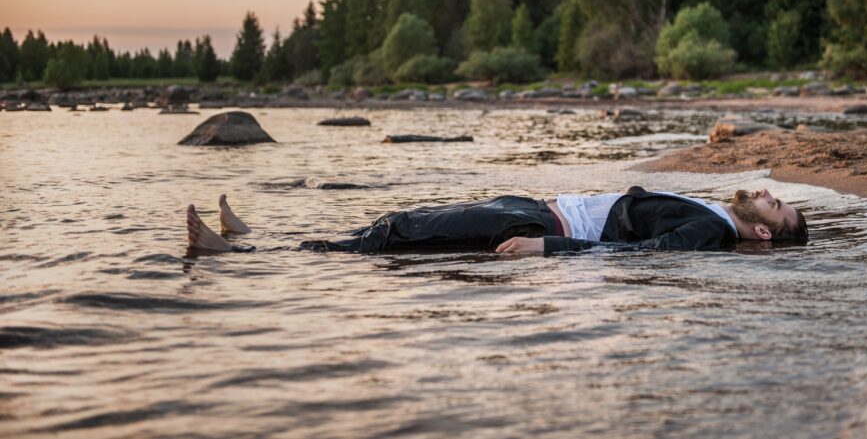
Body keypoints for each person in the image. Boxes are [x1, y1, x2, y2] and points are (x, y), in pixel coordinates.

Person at [186, 187, 808, 255]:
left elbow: (639, 254)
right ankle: (259, 241)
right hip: (541, 207)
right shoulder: (715, 211)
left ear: (761, 231)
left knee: (406, 234)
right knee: (406, 222)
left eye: (776, 208)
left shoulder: (713, 232)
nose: (765, 195)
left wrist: (548, 252)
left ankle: (242, 257)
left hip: (545, 229)